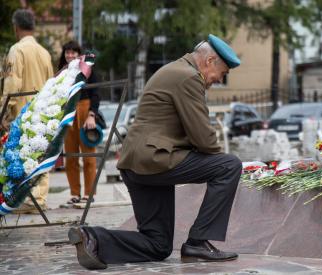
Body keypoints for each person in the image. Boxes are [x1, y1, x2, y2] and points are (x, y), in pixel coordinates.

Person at [68, 34, 242, 270]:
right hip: (154, 160)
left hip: (137, 163)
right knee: (228, 166)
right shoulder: (189, 77)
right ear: (210, 61)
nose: (218, 81)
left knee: (157, 245)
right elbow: (205, 140)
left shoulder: (174, 69)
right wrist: (216, 154)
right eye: (221, 74)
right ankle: (198, 243)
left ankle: (93, 239)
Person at [2, 9, 53, 213]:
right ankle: (38, 200)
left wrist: (3, 112)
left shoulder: (16, 50)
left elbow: (11, 86)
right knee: (40, 155)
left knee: (21, 156)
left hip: (23, 113)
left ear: (16, 27)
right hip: (43, 112)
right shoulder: (45, 52)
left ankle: (25, 200)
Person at [58, 41, 100, 205]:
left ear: (78, 54)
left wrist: (92, 115)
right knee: (71, 156)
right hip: (68, 113)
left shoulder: (87, 68)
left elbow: (96, 93)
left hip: (85, 109)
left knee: (89, 155)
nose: (70, 55)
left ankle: (89, 194)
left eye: (73, 53)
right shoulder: (62, 72)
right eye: (67, 52)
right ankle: (74, 193)